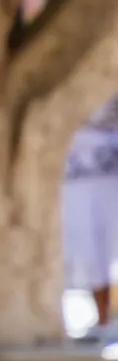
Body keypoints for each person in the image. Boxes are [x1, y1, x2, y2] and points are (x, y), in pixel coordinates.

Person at [64, 96, 118, 327]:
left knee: (106, 247)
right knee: (89, 250)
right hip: (75, 180)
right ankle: (102, 319)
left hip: (109, 179)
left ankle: (106, 318)